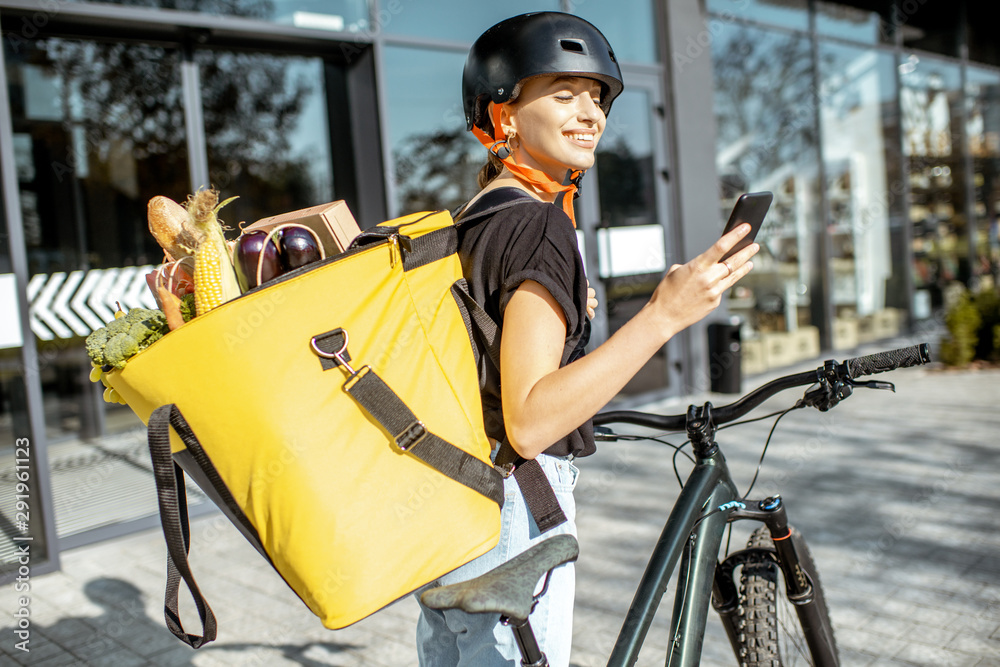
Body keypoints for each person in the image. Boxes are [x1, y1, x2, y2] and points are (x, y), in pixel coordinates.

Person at [415, 12, 758, 667]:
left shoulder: (477, 217)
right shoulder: (539, 225)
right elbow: (530, 419)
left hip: (448, 506)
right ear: (505, 114)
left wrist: (570, 313)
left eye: (597, 97)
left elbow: (483, 343)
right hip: (512, 515)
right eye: (564, 92)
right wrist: (663, 314)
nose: (591, 112)